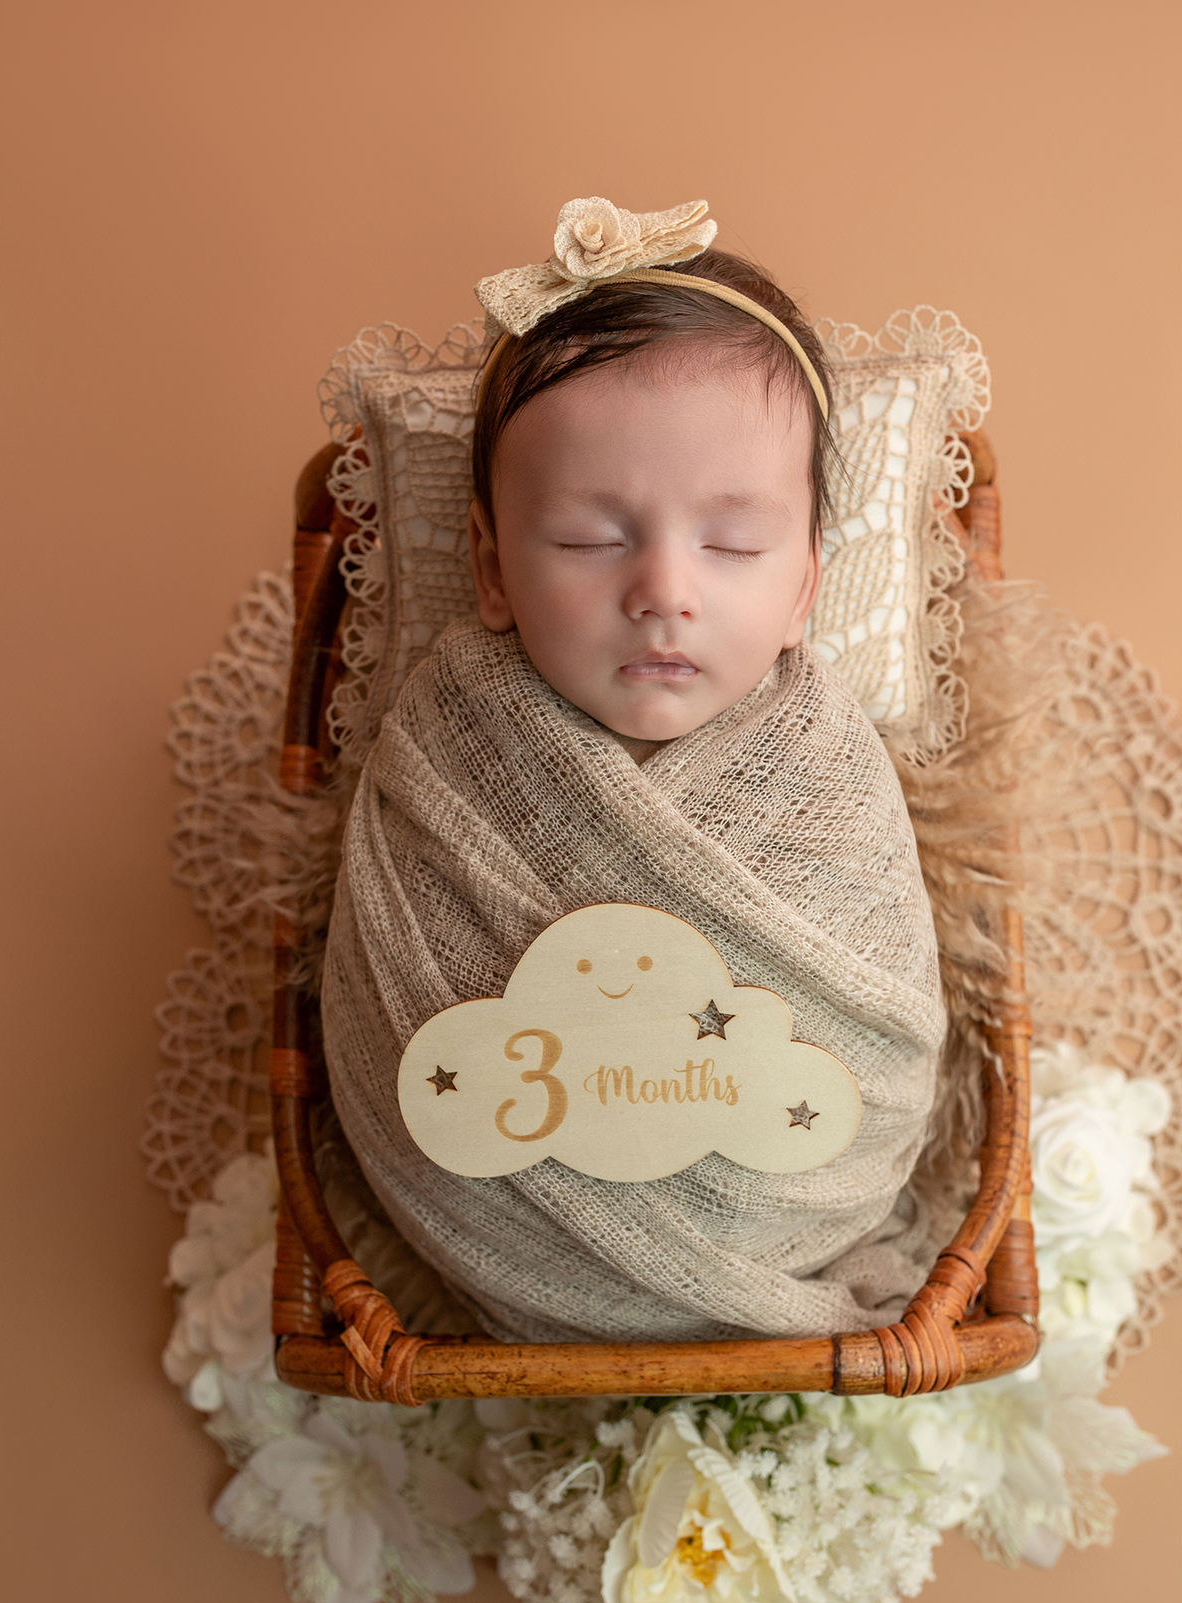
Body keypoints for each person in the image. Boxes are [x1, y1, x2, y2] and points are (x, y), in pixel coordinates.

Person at [321, 198, 945, 1344]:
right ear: (491, 567)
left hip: (790, 1219)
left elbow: (885, 1029)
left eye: (735, 543)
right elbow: (383, 1012)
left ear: (806, 582)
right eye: (589, 538)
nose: (664, 587)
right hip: (484, 1232)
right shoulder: (447, 751)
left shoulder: (828, 769)